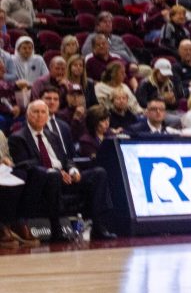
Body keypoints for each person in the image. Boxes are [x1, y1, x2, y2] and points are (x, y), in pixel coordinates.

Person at [8, 99, 117, 240]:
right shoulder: (18, 138)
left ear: (47, 116)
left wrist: (73, 171)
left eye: (43, 112)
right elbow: (25, 164)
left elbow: (67, 160)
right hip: (43, 182)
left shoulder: (52, 136)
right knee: (52, 175)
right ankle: (56, 230)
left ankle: (98, 226)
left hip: (65, 177)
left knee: (99, 173)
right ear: (28, 115)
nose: (40, 115)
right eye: (35, 112)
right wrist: (56, 172)